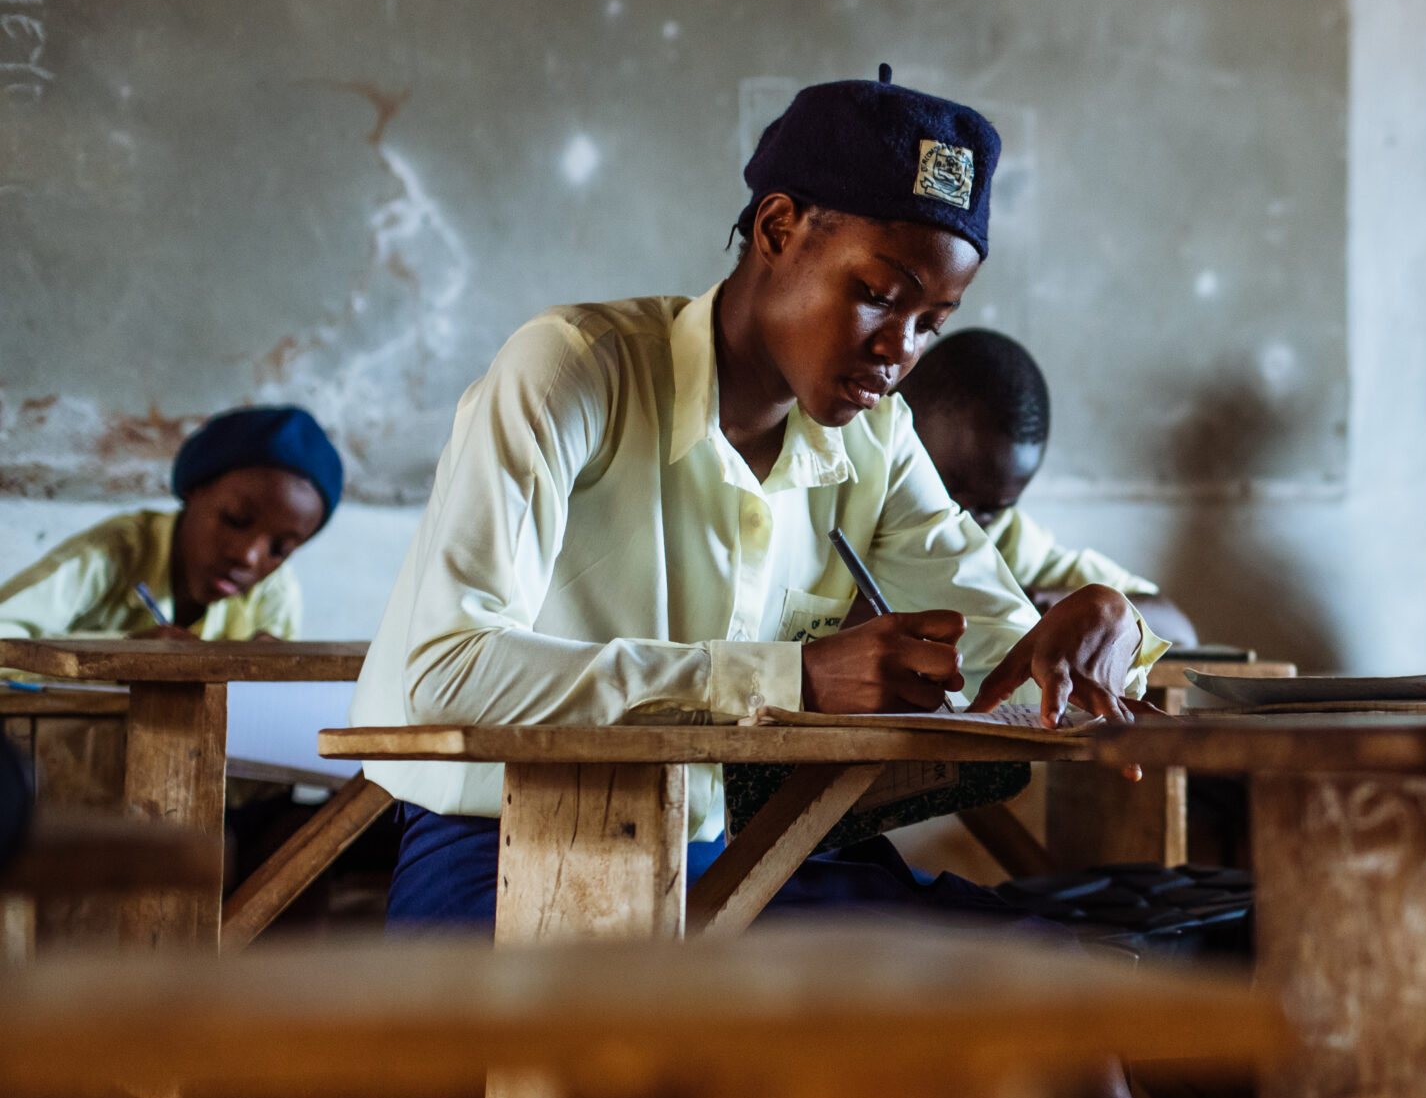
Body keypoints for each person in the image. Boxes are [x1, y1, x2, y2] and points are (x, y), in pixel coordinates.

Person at [350, 70, 1164, 929]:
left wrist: (1109, 630)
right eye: (877, 296)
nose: (899, 351)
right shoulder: (575, 372)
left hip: (734, 856)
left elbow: (1004, 649)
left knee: (1042, 975)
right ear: (778, 228)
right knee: (727, 1039)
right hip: (503, 847)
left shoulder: (875, 439)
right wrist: (794, 676)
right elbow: (446, 673)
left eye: (933, 322)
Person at [900, 327, 1199, 647]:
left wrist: (1061, 607)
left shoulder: (1007, 542)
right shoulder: (853, 506)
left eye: (991, 508)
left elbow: (1177, 627)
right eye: (944, 491)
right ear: (898, 436)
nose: (963, 519)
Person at [0, 405, 340, 642]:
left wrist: (270, 678)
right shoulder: (116, 552)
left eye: (281, 549)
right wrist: (120, 652)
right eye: (235, 520)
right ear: (195, 489)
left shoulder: (274, 594)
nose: (249, 557)